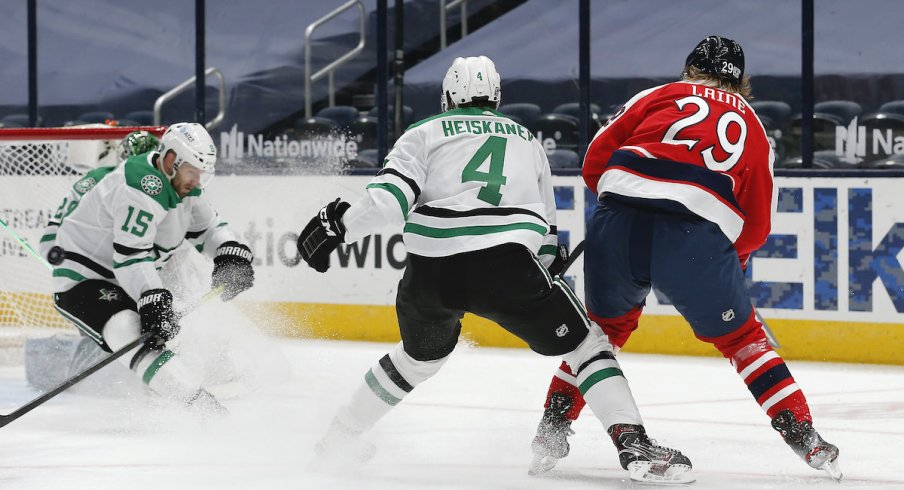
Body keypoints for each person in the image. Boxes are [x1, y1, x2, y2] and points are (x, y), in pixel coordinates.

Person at [296, 56, 694, 484]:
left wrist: (341, 228)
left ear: (448, 96)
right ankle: (632, 443)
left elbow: (389, 202)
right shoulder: (526, 139)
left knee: (416, 360)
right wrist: (544, 271)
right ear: (498, 97)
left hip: (430, 273)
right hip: (506, 267)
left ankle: (338, 438)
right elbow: (545, 233)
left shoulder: (423, 132)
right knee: (587, 346)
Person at [529, 35, 842, 480]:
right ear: (742, 82)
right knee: (743, 341)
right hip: (694, 238)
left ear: (690, 67)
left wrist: (624, 212)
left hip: (616, 219)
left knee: (598, 335)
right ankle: (804, 437)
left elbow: (594, 161)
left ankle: (551, 431)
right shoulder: (752, 125)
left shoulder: (658, 95)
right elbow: (757, 223)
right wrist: (732, 259)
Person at [50, 122, 255, 410]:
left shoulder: (184, 183)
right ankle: (199, 407)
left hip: (128, 279)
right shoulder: (139, 185)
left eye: (201, 173)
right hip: (84, 279)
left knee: (171, 322)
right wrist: (152, 298)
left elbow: (209, 228)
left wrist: (231, 253)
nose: (197, 181)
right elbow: (131, 257)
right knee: (127, 328)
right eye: (192, 172)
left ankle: (178, 386)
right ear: (171, 160)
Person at [39, 130, 160, 264]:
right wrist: (51, 249)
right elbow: (61, 219)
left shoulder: (165, 189)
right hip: (96, 259)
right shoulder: (98, 179)